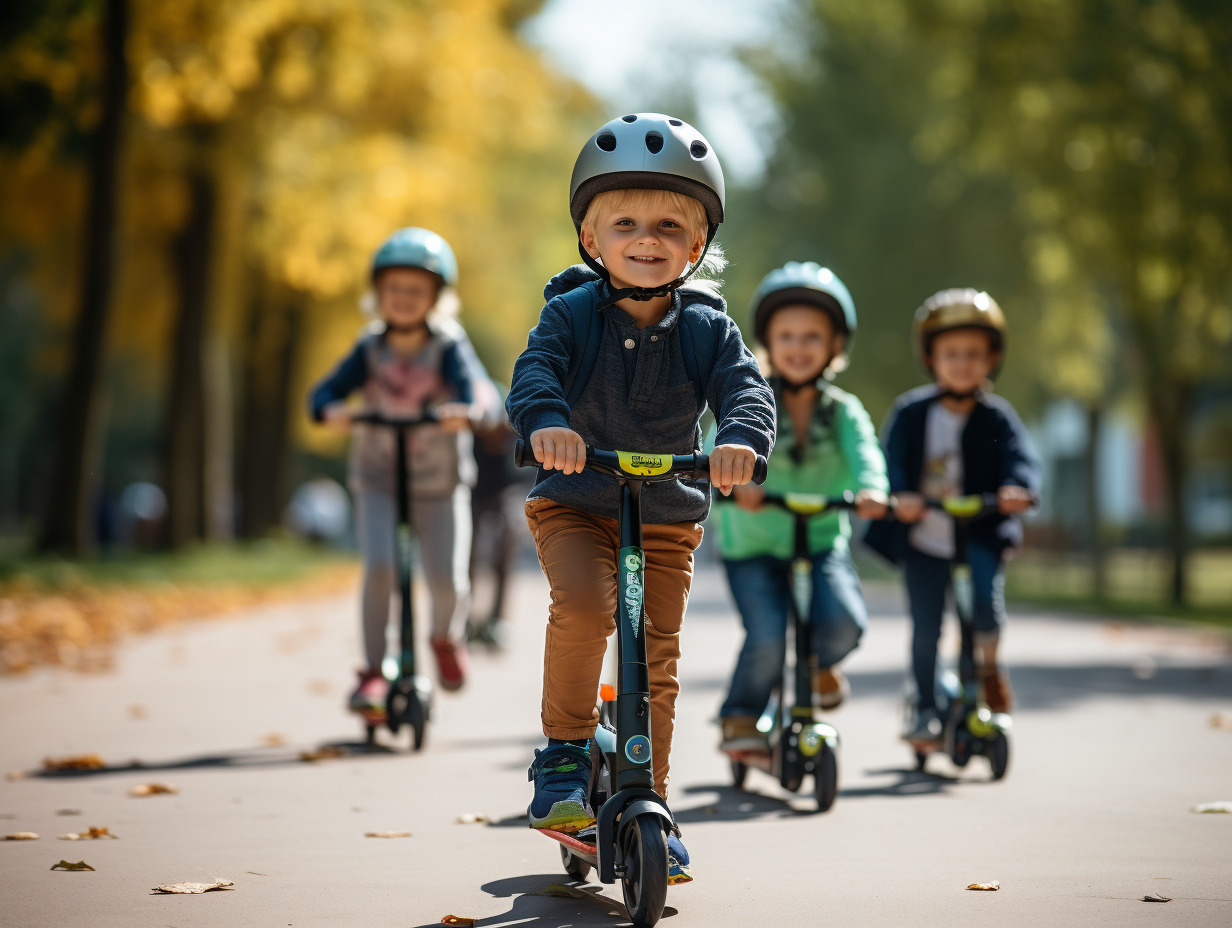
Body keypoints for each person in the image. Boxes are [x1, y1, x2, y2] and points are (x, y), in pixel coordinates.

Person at [505, 113, 776, 884]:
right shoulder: (570, 314)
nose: (646, 238)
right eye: (624, 222)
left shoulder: (707, 329)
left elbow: (746, 391)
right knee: (590, 610)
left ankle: (647, 795)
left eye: (668, 224)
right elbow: (534, 375)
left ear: (696, 246)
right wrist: (547, 422)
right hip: (577, 501)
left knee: (654, 656)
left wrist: (742, 441)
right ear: (592, 239)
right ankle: (562, 758)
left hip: (664, 514)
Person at [309, 227, 498, 708]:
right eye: (395, 289)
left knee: (446, 580)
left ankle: (444, 638)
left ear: (437, 297)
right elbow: (325, 391)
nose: (405, 299)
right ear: (378, 294)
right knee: (379, 570)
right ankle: (372, 672)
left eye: (417, 290)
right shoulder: (370, 347)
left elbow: (477, 390)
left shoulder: (448, 345)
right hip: (378, 479)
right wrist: (328, 408)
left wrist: (470, 411)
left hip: (440, 482)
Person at [710, 262, 888, 753]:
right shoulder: (752, 396)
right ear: (768, 342)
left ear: (835, 346)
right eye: (787, 336)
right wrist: (731, 481)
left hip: (821, 541)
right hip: (755, 546)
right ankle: (742, 716)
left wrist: (873, 489)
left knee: (845, 622)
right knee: (766, 634)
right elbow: (717, 446)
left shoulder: (842, 410)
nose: (799, 347)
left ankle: (816, 665)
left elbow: (866, 453)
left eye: (813, 337)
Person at [864, 288, 1041, 742]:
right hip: (925, 535)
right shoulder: (911, 412)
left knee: (985, 610)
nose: (962, 363)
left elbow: (1021, 460)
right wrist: (900, 494)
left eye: (973, 354)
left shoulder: (997, 418)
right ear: (931, 357)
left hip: (978, 531)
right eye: (951, 353)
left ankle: (987, 670)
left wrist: (1016, 488)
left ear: (991, 359)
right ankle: (925, 709)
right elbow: (891, 461)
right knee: (927, 631)